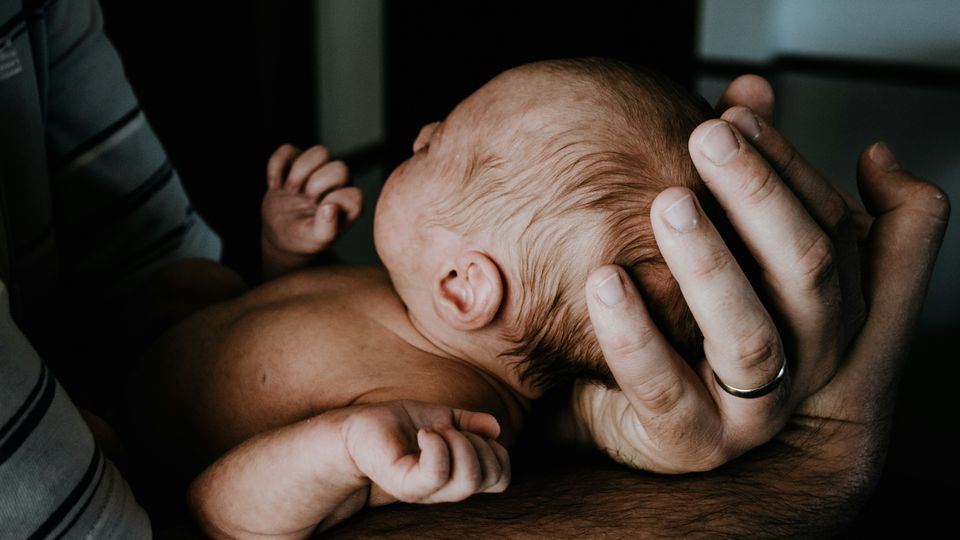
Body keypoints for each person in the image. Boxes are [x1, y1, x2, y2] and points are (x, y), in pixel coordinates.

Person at [0, 1, 948, 537]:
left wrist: (336, 452)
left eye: (438, 141)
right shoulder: (415, 301)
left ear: (467, 285)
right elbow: (282, 314)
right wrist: (293, 250)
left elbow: (231, 520)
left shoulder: (436, 410)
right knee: (196, 288)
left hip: (150, 462)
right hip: (170, 336)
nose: (415, 132)